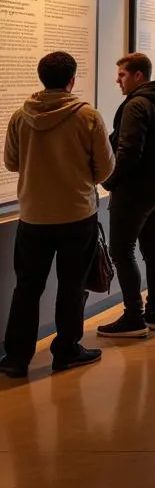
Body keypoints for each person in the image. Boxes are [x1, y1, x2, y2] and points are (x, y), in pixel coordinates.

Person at [0, 52, 114, 378]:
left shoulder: (21, 117)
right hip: (77, 214)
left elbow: (11, 162)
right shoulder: (88, 117)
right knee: (72, 285)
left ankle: (16, 358)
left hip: (33, 216)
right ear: (72, 80)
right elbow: (105, 168)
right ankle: (66, 351)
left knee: (27, 287)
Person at [98, 52, 155, 338]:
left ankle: (133, 317)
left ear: (138, 76)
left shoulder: (136, 105)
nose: (117, 80)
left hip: (134, 194)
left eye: (122, 74)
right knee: (153, 250)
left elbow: (128, 152)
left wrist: (109, 181)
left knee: (121, 252)